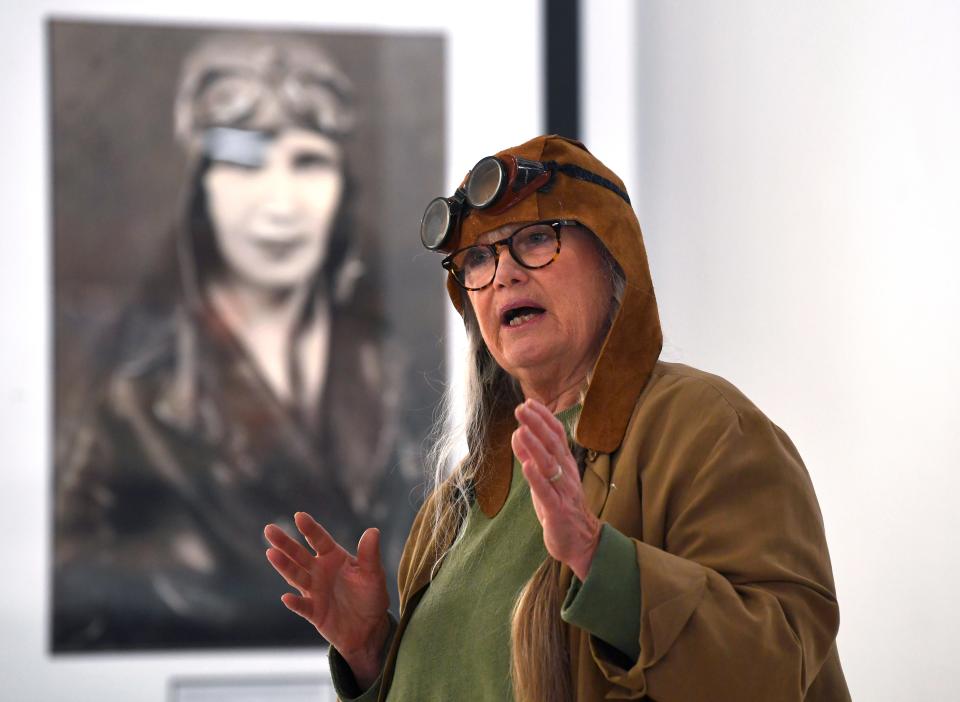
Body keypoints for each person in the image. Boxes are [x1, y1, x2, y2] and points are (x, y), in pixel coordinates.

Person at [263, 134, 851, 700]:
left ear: (611, 256)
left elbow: (778, 667)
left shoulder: (706, 428)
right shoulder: (454, 507)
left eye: (537, 238)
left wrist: (602, 562)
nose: (505, 275)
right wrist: (371, 654)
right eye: (477, 258)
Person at [53, 34, 420, 650]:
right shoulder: (131, 397)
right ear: (202, 187)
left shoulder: (396, 375)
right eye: (245, 162)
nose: (280, 203)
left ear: (342, 187)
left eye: (308, 161)